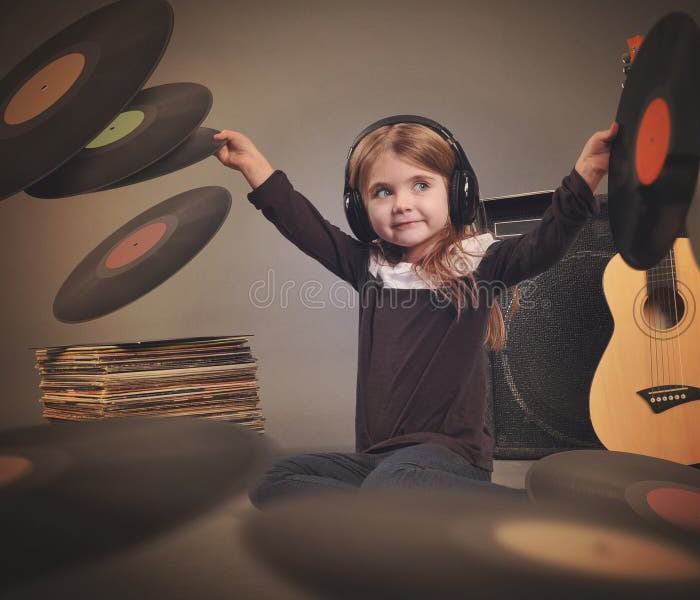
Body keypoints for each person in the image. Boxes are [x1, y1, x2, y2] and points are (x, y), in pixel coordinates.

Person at [214, 116, 617, 506]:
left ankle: (543, 513)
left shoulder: (480, 263)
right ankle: (396, 513)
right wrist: (255, 166)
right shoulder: (368, 267)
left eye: (420, 185)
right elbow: (303, 224)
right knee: (270, 479)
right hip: (376, 461)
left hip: (448, 459)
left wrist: (586, 175)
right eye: (383, 192)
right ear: (360, 208)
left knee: (398, 481)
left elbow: (547, 241)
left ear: (457, 192)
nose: (401, 204)